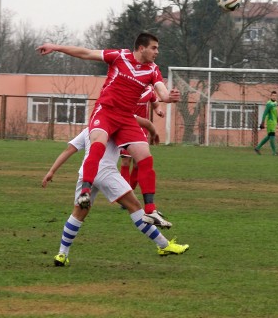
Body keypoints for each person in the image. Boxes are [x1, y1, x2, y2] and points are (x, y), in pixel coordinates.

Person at [36, 33, 179, 229]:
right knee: (98, 145)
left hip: (126, 118)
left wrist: (169, 97)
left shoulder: (153, 70)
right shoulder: (119, 56)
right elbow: (86, 53)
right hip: (105, 112)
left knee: (145, 157)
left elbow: (162, 92)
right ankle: (85, 192)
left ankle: (150, 211)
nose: (157, 52)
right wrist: (56, 46)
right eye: (154, 48)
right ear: (141, 48)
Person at [42, 117, 188, 266]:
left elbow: (69, 150)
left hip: (86, 174)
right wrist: (152, 130)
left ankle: (62, 254)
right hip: (106, 173)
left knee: (78, 214)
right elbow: (143, 122)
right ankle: (164, 245)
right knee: (135, 207)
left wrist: (51, 171)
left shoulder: (90, 129)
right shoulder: (118, 122)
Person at [120, 85, 164, 198]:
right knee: (125, 161)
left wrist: (158, 110)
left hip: (142, 128)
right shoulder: (127, 88)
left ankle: (131, 192)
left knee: (137, 164)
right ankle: (125, 194)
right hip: (127, 126)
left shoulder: (149, 91)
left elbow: (155, 103)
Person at [254, 91, 278, 156]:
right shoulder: (269, 104)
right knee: (272, 136)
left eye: (275, 96)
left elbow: (276, 113)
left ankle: (257, 148)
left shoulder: (275, 103)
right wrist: (262, 122)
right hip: (270, 122)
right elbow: (265, 113)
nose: (274, 97)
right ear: (270, 96)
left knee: (269, 136)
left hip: (274, 122)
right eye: (273, 95)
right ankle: (274, 152)